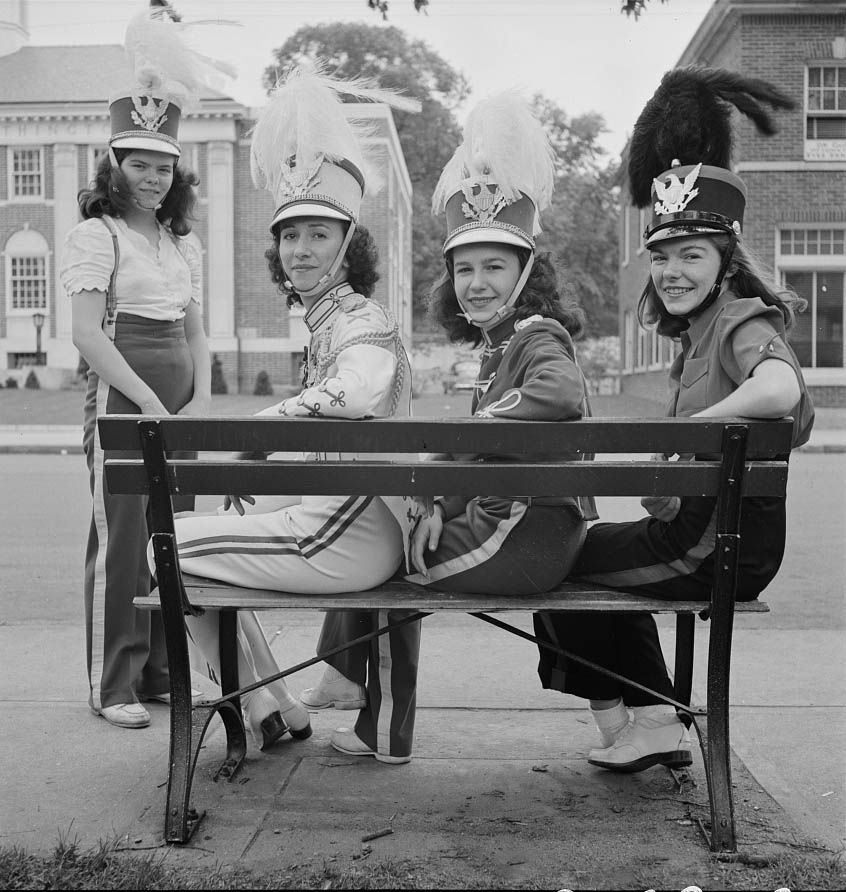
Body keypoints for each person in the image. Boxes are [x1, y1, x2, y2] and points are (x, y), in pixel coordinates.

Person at [534, 67, 814, 773]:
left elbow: (779, 390)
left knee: (551, 564)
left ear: (727, 264)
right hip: (705, 533)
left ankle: (647, 719)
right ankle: (647, 716)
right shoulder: (700, 336)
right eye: (661, 257)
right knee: (567, 554)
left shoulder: (741, 320)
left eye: (692, 255)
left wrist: (696, 434)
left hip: (717, 545)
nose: (671, 271)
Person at [319, 92, 598, 764]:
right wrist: (438, 498)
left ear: (528, 274)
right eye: (465, 269)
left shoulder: (538, 335)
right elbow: (492, 458)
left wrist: (452, 449)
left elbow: (559, 395)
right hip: (516, 528)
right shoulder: (499, 346)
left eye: (494, 267)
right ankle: (361, 706)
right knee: (386, 530)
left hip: (521, 539)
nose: (475, 283)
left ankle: (372, 722)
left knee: (375, 560)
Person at [158, 63, 422, 757]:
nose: (300, 250)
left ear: (347, 244)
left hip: (347, 535)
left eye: (318, 235)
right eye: (290, 236)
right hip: (341, 522)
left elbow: (359, 391)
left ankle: (258, 709)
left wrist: (264, 429)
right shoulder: (326, 320)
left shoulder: (358, 316)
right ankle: (274, 709)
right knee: (197, 537)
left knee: (168, 549)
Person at [59, 9, 229, 729]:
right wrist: (144, 402)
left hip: (177, 402)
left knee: (175, 537)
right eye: (140, 165)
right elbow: (87, 336)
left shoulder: (181, 244)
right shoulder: (94, 234)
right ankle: (113, 682)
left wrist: (197, 400)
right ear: (115, 165)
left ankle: (162, 670)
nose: (154, 179)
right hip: (124, 398)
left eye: (164, 167)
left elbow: (197, 330)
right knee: (125, 537)